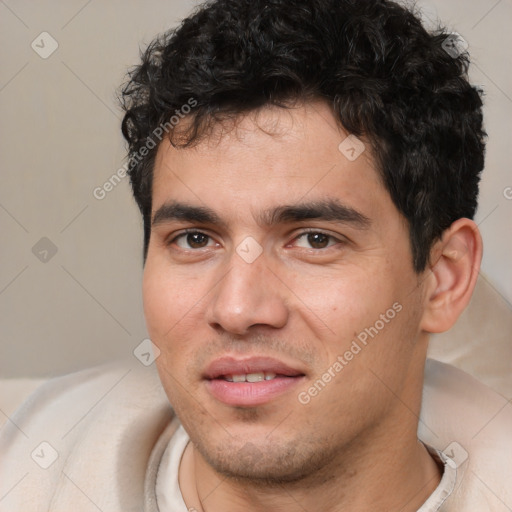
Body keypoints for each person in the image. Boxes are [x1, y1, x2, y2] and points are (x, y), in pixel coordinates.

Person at [1, 0, 511, 510]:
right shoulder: (25, 469)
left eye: (314, 240)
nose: (238, 310)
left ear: (444, 279)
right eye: (195, 239)